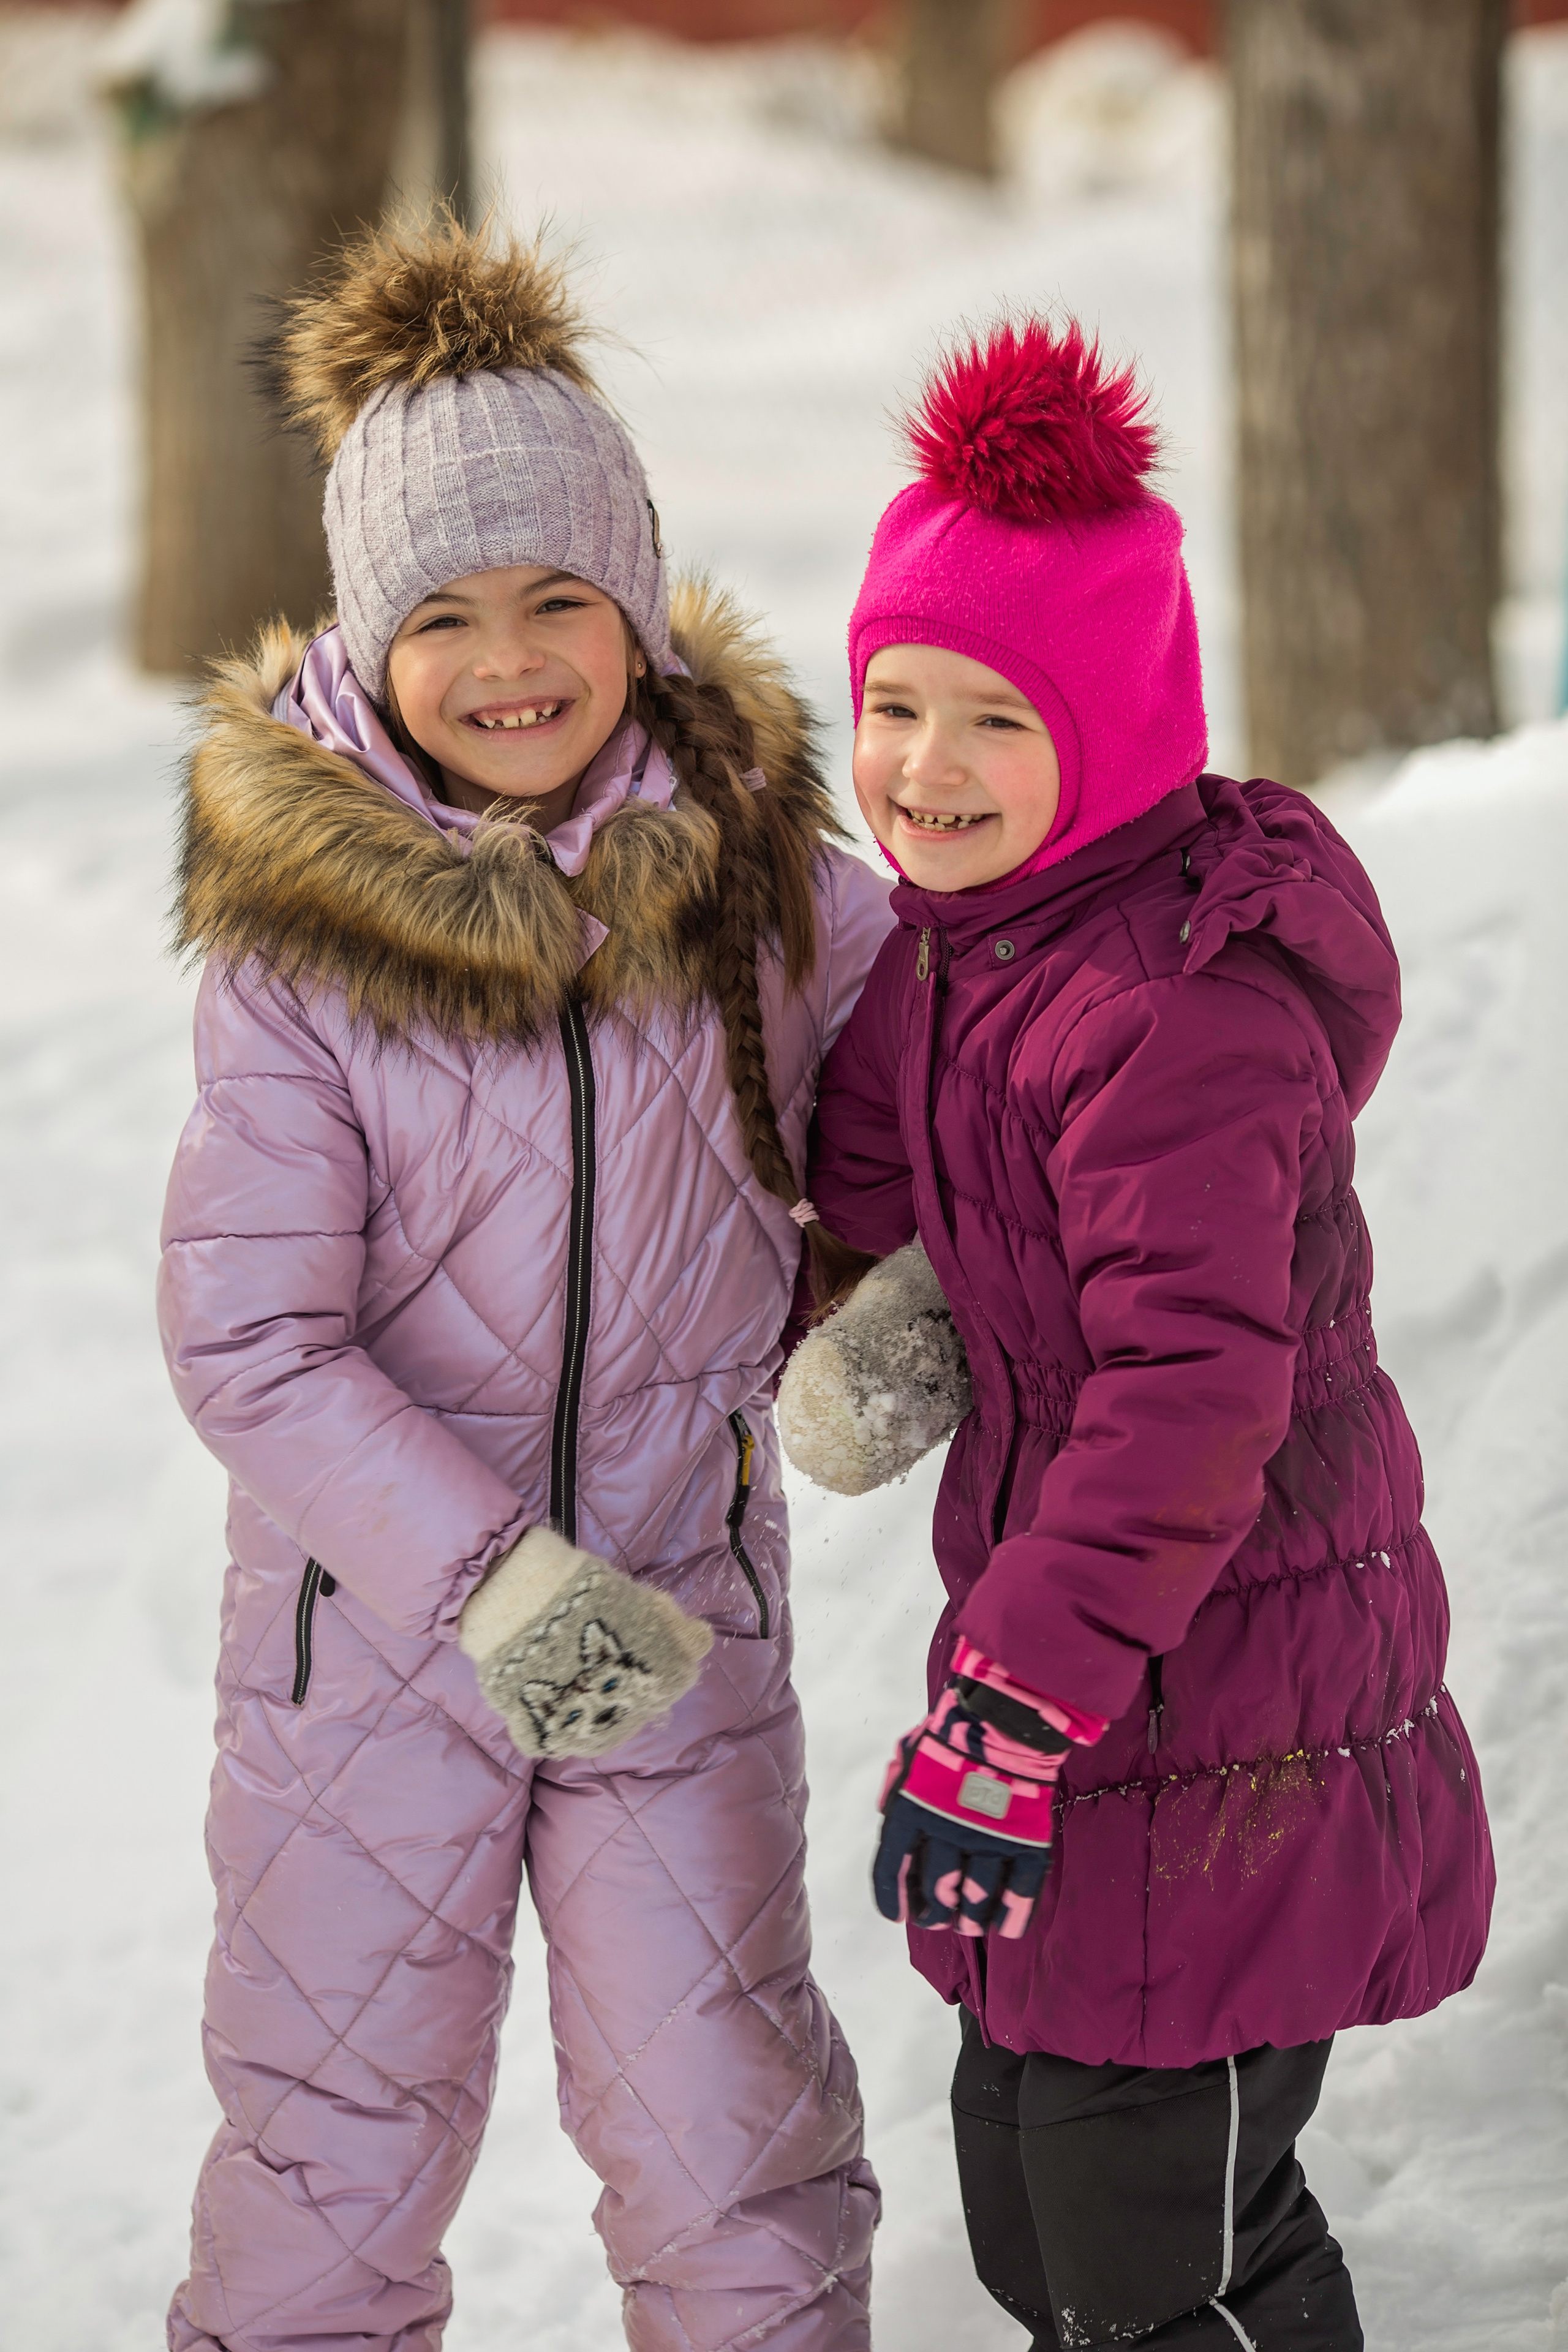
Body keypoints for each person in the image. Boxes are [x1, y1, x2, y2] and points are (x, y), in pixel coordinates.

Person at [157, 219, 891, 2352]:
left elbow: (939, 1078)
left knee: (731, 2131)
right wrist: (495, 1583)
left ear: (638, 599)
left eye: (558, 596)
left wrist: (888, 1311)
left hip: (676, 1621)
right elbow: (251, 1337)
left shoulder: (755, 864)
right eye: (446, 614)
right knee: (332, 2155)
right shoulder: (305, 946)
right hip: (372, 1656)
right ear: (369, 638)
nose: (511, 660)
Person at [802, 317, 1495, 2351]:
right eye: (894, 705)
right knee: (1041, 2219)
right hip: (1115, 1707)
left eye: (994, 722)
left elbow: (1192, 1399)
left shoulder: (1176, 1012)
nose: (924, 771)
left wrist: (1003, 1723)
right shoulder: (986, 951)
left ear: (1116, 735)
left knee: (1133, 2251)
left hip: (1214, 1710)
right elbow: (858, 1180)